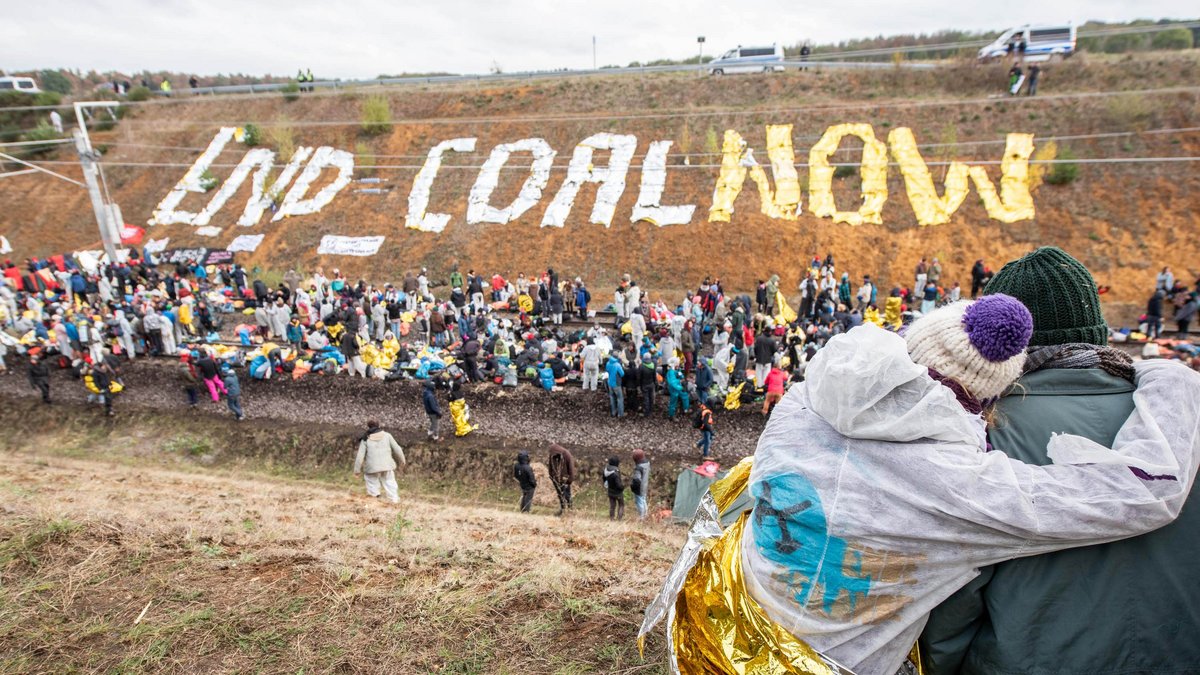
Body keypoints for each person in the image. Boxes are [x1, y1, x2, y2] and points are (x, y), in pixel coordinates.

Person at [650, 292, 1200, 675]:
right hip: (825, 664)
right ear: (992, 397)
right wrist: (1166, 377)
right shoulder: (964, 488)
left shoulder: (806, 396)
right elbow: (1146, 492)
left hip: (712, 623)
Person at [923, 247, 1200, 675]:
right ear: (1097, 330)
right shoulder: (1184, 416)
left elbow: (957, 587)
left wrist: (940, 662)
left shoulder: (980, 435)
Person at [353, 421, 405, 504]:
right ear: (378, 425)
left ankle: (375, 499)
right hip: (387, 465)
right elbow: (397, 449)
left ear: (368, 426)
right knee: (389, 481)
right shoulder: (387, 436)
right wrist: (402, 461)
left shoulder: (365, 439)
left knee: (371, 482)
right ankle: (394, 500)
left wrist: (357, 470)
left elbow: (360, 456)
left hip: (371, 467)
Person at [548, 443, 576, 516]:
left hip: (565, 480)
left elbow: (571, 469)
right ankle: (563, 509)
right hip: (556, 480)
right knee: (560, 495)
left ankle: (570, 510)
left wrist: (569, 480)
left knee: (567, 495)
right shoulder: (552, 455)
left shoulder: (566, 454)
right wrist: (552, 477)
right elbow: (550, 467)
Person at [630, 449, 651, 519]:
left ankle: (641, 517)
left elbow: (637, 480)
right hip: (645, 485)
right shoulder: (647, 463)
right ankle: (646, 515)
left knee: (639, 502)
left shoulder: (638, 468)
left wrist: (632, 486)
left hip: (639, 488)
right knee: (643, 500)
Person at [603, 456, 625, 521]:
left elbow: (604, 479)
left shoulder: (606, 470)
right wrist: (622, 487)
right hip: (617, 492)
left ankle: (612, 519)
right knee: (621, 505)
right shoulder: (616, 472)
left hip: (610, 490)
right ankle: (619, 519)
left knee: (612, 506)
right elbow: (618, 484)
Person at [605, 353, 625, 418]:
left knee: (612, 397)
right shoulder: (617, 365)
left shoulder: (608, 363)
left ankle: (613, 412)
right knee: (620, 398)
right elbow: (622, 374)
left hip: (610, 383)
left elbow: (607, 370)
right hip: (616, 384)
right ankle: (620, 414)